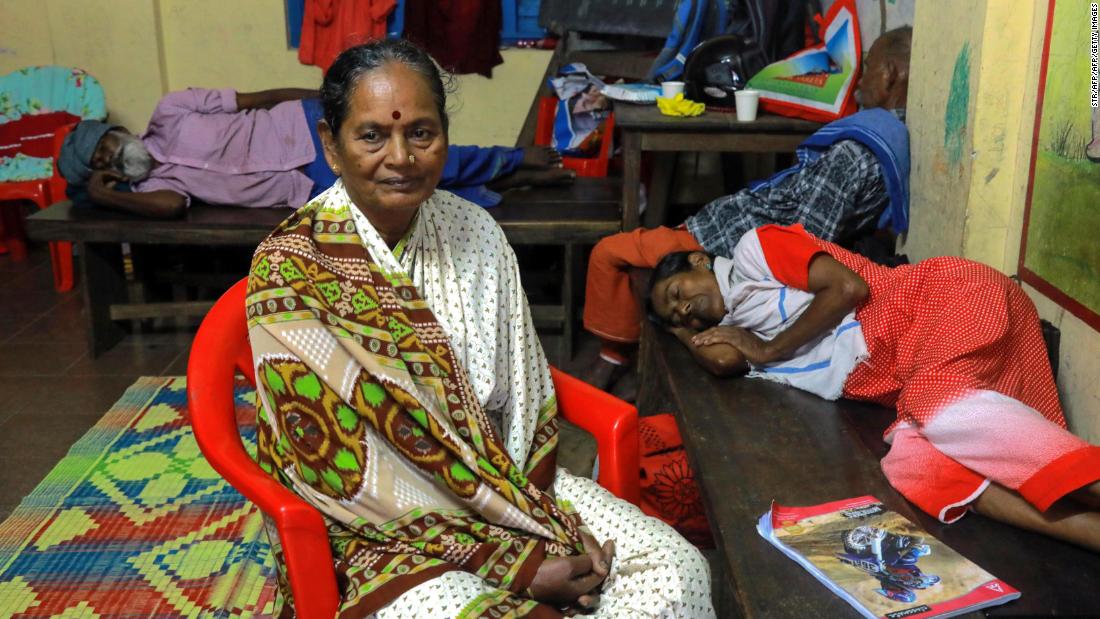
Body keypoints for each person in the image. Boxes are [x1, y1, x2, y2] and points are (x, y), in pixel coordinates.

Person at [246, 39, 714, 618]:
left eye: (421, 133)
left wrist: (540, 520)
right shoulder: (291, 265)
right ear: (331, 146)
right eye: (372, 136)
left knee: (676, 572)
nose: (401, 157)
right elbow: (336, 476)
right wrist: (515, 560)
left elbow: (521, 394)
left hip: (508, 483)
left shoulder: (475, 230)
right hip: (377, 531)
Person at [646, 222, 1100, 551]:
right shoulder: (740, 328)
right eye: (676, 316)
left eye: (677, 294)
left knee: (934, 399)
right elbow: (723, 361)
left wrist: (767, 351)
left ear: (700, 259)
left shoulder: (753, 253)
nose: (684, 309)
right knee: (910, 463)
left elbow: (847, 288)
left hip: (943, 297)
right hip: (920, 364)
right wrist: (680, 332)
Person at [580, 26, 913, 391]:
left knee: (608, 252)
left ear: (890, 74)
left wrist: (749, 322)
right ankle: (624, 354)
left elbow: (806, 240)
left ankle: (611, 358)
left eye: (868, 69)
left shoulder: (853, 154)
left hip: (714, 243)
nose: (860, 80)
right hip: (718, 243)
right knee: (645, 277)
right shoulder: (878, 139)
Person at [57, 89, 572, 218]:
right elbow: (172, 210)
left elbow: (255, 99)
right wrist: (108, 197)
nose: (111, 160)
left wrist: (331, 98)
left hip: (301, 128)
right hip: (304, 186)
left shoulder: (172, 110)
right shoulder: (151, 189)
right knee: (404, 196)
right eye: (100, 166)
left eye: (106, 147)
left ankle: (512, 161)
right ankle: (504, 186)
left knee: (408, 158)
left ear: (117, 132)